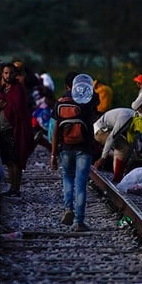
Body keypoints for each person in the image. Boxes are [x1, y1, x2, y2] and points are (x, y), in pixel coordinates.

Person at [51, 72, 98, 231]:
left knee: (67, 179)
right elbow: (96, 109)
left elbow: (56, 130)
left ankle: (68, 209)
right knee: (81, 184)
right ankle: (79, 221)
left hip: (65, 148)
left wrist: (52, 155)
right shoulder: (89, 99)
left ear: (66, 86)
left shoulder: (60, 102)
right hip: (84, 148)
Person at [0, 62, 34, 197]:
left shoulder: (17, 89)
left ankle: (15, 188)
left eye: (11, 73)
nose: (8, 75)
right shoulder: (2, 89)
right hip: (3, 128)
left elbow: (19, 108)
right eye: (6, 73)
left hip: (15, 129)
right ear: (2, 74)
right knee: (9, 160)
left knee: (16, 159)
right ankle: (12, 187)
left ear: (16, 74)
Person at [92, 107, 138, 182]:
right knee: (124, 148)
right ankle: (117, 178)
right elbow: (111, 138)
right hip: (99, 132)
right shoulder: (126, 119)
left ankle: (118, 173)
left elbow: (133, 141)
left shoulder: (135, 117)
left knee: (127, 148)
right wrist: (102, 158)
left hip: (106, 129)